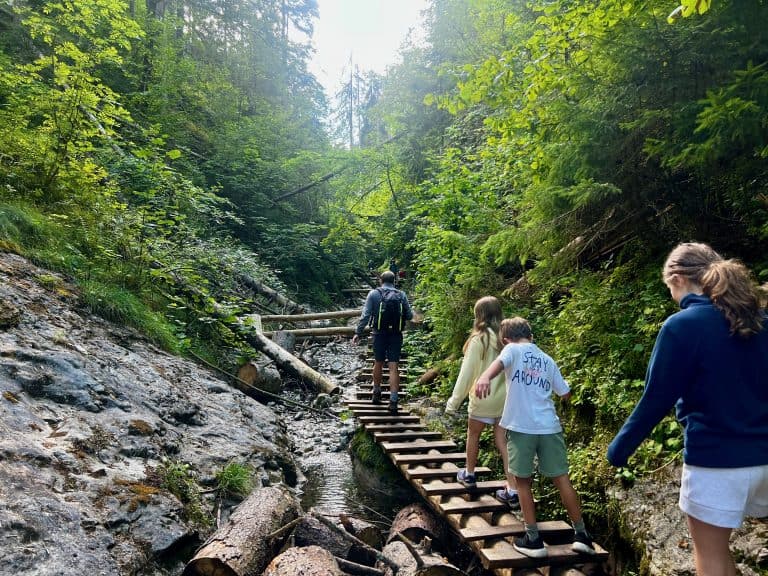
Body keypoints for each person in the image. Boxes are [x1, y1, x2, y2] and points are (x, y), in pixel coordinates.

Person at [607, 242, 768, 576]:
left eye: (669, 287)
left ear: (678, 278)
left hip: (716, 461)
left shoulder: (682, 325)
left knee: (711, 557)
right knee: (722, 557)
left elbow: (656, 399)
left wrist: (619, 451)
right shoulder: (759, 319)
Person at [475, 317, 596, 558]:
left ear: (506, 340)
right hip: (550, 427)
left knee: (522, 483)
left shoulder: (511, 349)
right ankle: (582, 535)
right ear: (531, 336)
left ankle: (533, 539)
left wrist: (485, 377)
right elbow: (565, 393)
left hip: (522, 428)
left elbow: (498, 365)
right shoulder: (547, 359)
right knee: (562, 479)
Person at [445, 296, 519, 509]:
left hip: (482, 397)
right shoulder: (509, 339)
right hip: (505, 400)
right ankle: (513, 489)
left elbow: (467, 374)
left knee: (473, 434)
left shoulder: (479, 340)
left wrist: (454, 402)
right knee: (503, 442)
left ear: (479, 315)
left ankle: (469, 474)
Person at [352, 270, 413, 414]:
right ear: (394, 281)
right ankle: (393, 400)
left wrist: (358, 332)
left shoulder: (373, 294)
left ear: (381, 280)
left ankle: (376, 393)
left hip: (379, 334)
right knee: (393, 367)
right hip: (396, 335)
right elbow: (409, 316)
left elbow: (365, 315)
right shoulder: (401, 295)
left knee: (378, 362)